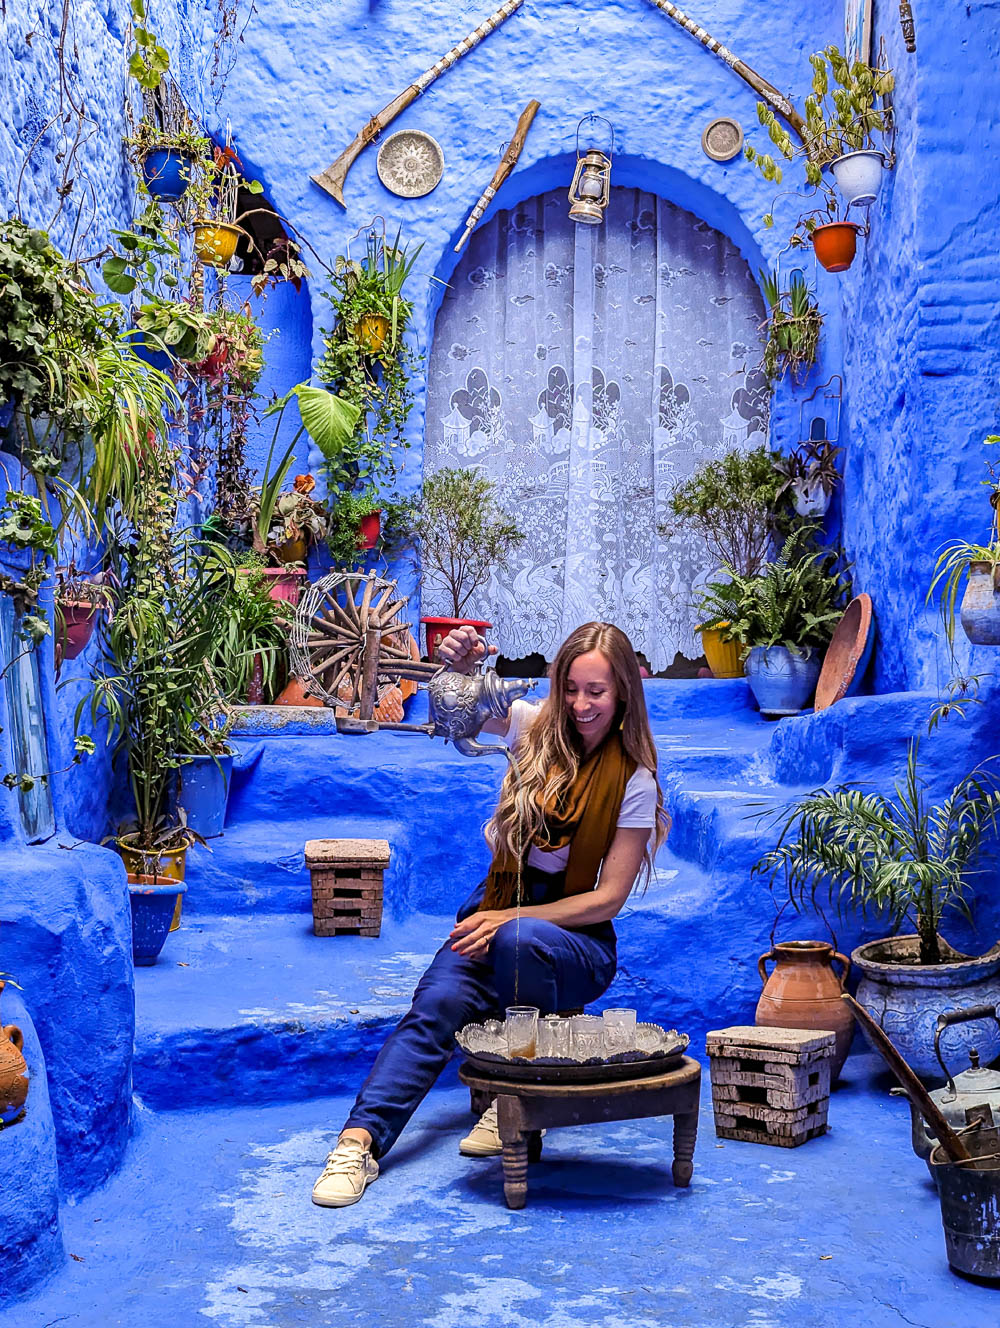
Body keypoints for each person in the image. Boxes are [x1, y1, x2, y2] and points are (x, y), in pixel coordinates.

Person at [311, 620, 669, 1207]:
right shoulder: (531, 729)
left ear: (623, 693)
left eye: (596, 692)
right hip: (496, 907)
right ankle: (358, 1145)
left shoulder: (635, 781)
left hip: (572, 939)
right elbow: (458, 714)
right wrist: (455, 668)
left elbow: (608, 899)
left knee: (519, 943)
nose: (580, 705)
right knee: (436, 1008)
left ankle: (516, 1102)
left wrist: (508, 923)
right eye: (571, 688)